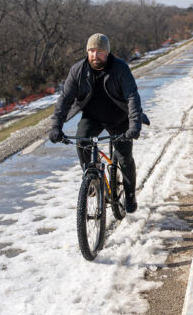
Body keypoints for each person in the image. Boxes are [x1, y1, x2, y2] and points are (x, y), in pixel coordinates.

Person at [48, 33, 149, 213]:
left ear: (107, 53)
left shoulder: (120, 69)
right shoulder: (78, 71)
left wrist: (134, 125)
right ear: (87, 52)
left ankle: (130, 194)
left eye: (100, 51)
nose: (95, 55)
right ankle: (92, 180)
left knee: (124, 157)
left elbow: (132, 97)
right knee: (82, 141)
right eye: (92, 51)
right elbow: (65, 99)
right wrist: (56, 126)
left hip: (120, 117)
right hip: (92, 117)